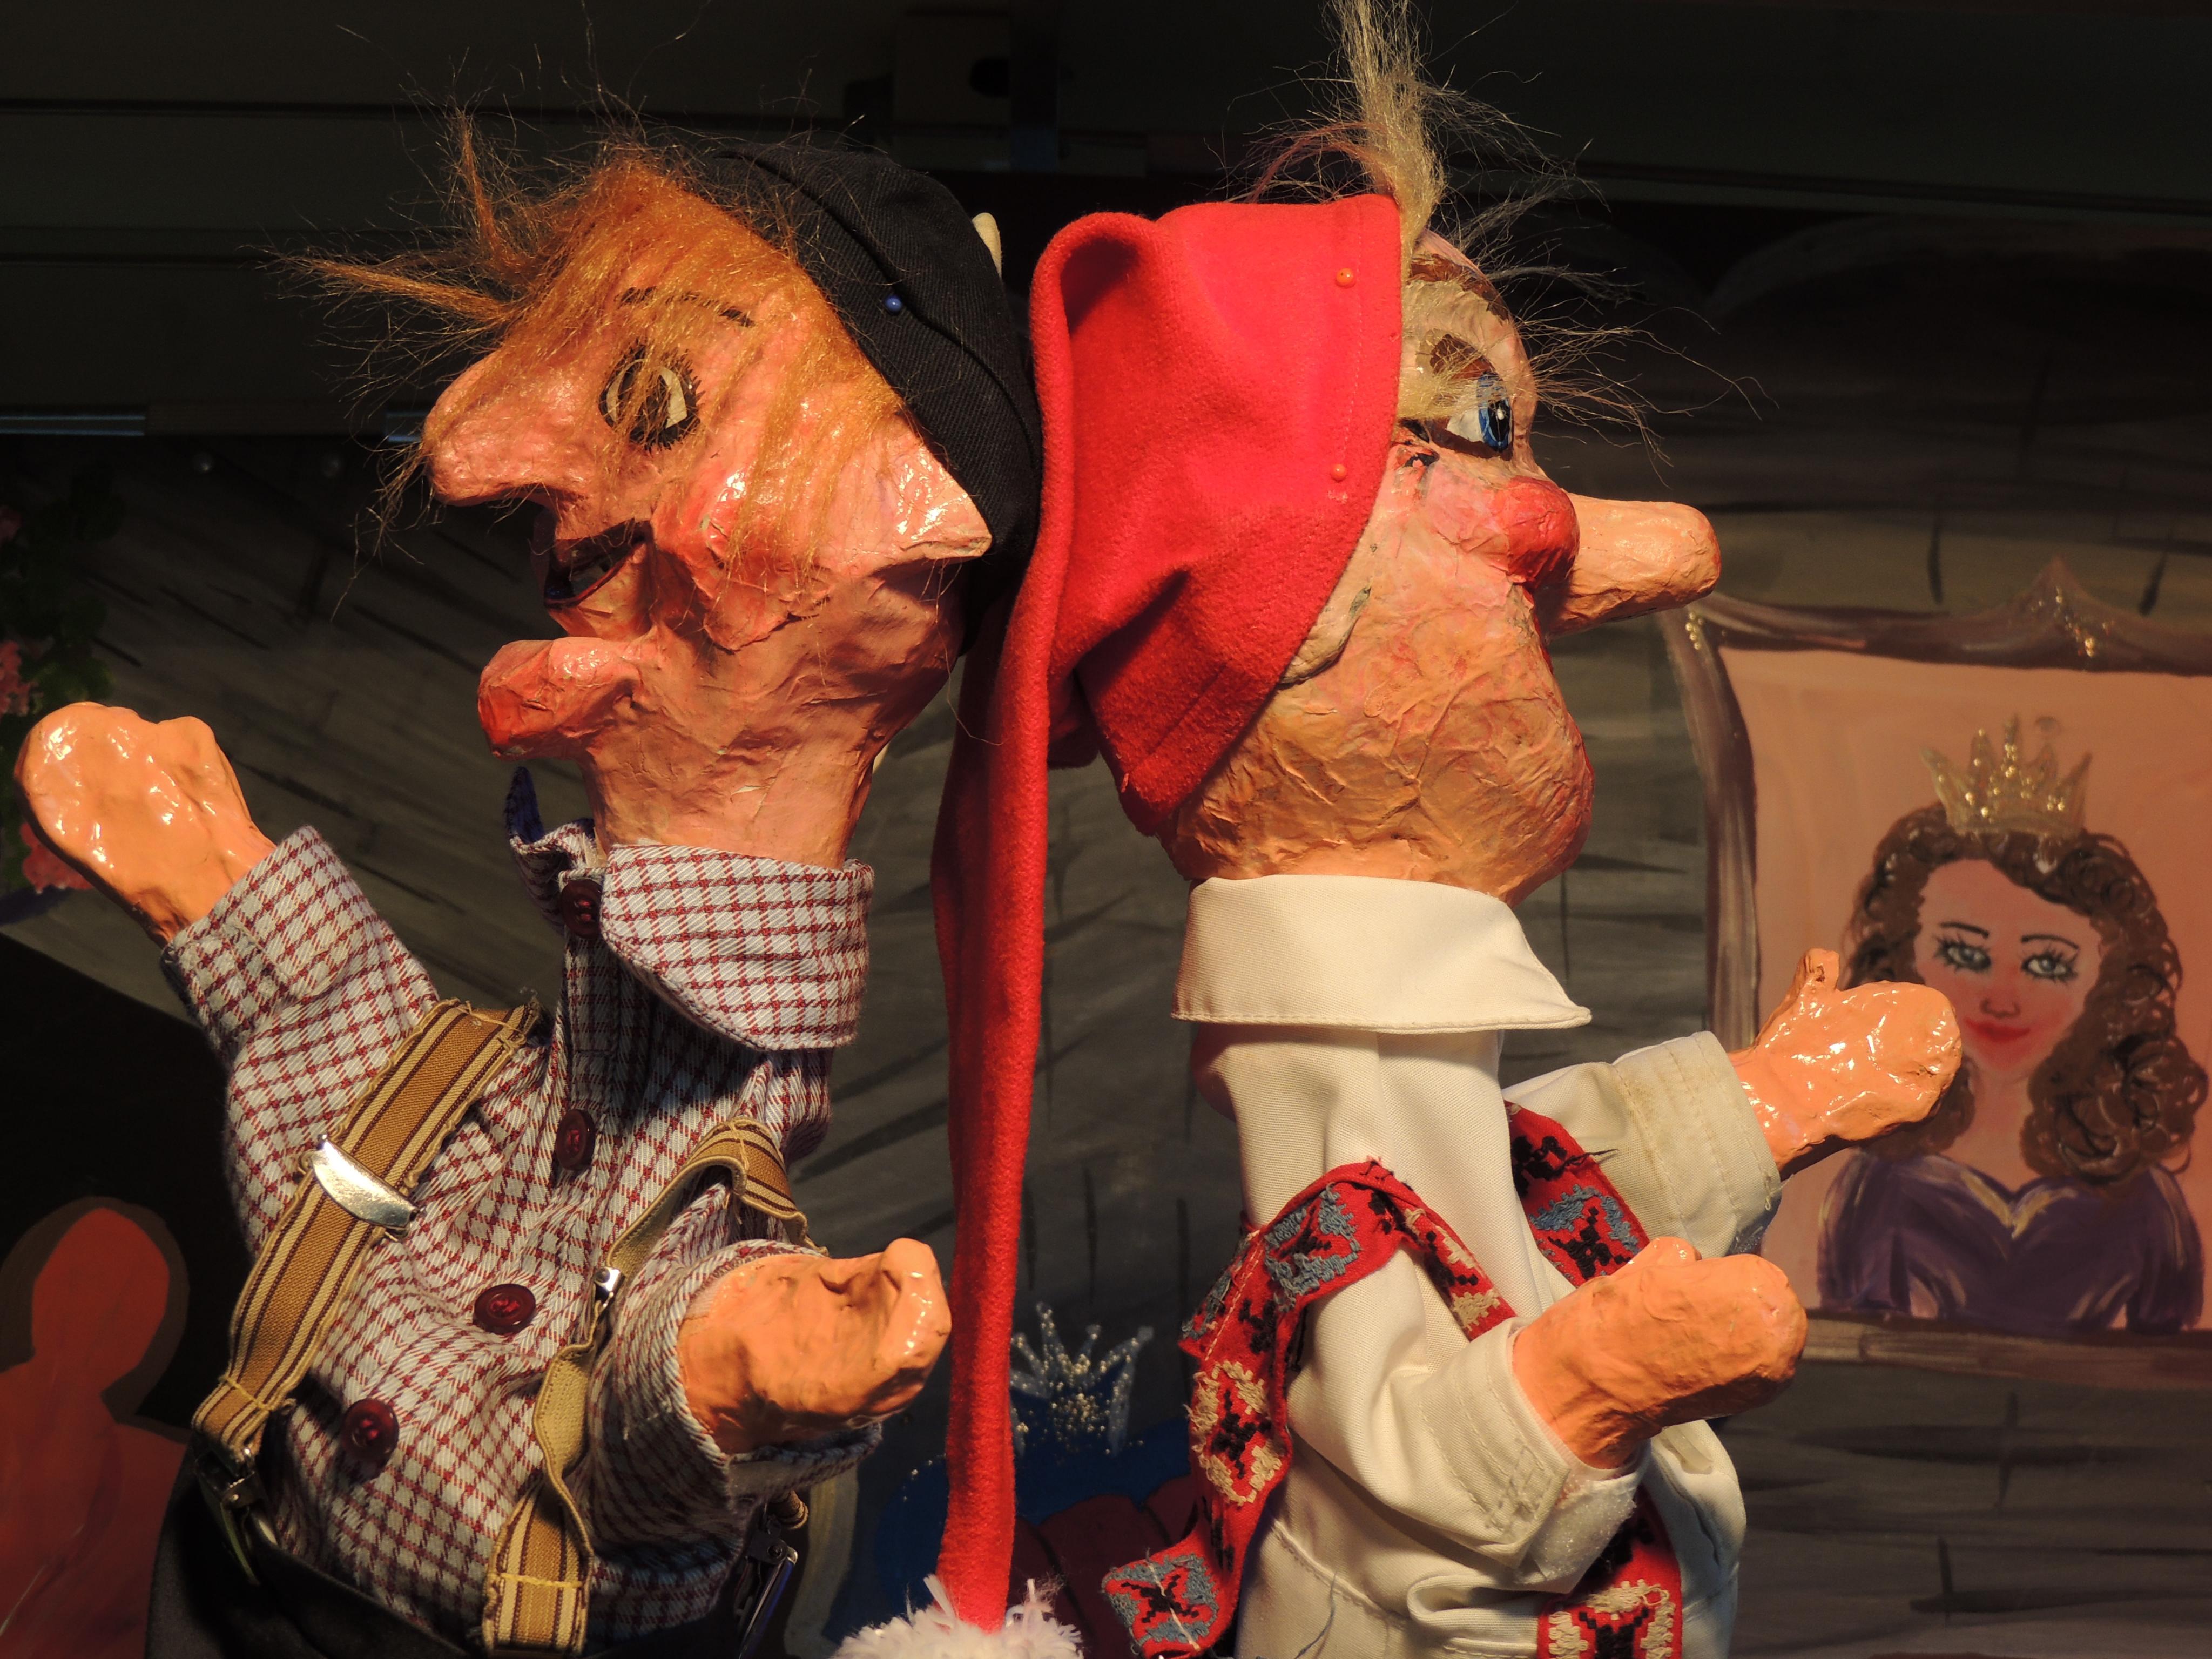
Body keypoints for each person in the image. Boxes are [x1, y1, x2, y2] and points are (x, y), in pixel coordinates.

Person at [849, 4, 1962, 1656]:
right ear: (1282, 611)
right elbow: (1388, 1448)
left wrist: (1760, 1103)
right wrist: (1594, 1376)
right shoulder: (1323, 1058)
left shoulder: (1383, 1037)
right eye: (1482, 428)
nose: (1569, 532)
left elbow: (1499, 1191)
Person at [15, 136, 1039, 1657]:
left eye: (654, 398)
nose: (471, 454)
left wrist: (714, 1376)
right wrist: (251, 920)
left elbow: (616, 1379)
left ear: (898, 529)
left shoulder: (702, 1116)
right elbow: (419, 1192)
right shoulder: (550, 1085)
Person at [1822, 718, 2207, 1337]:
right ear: (1905, 962)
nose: (2001, 998)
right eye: (1964, 955)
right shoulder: (1879, 1189)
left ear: (2108, 981)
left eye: (2046, 965)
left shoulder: (2144, 1204)